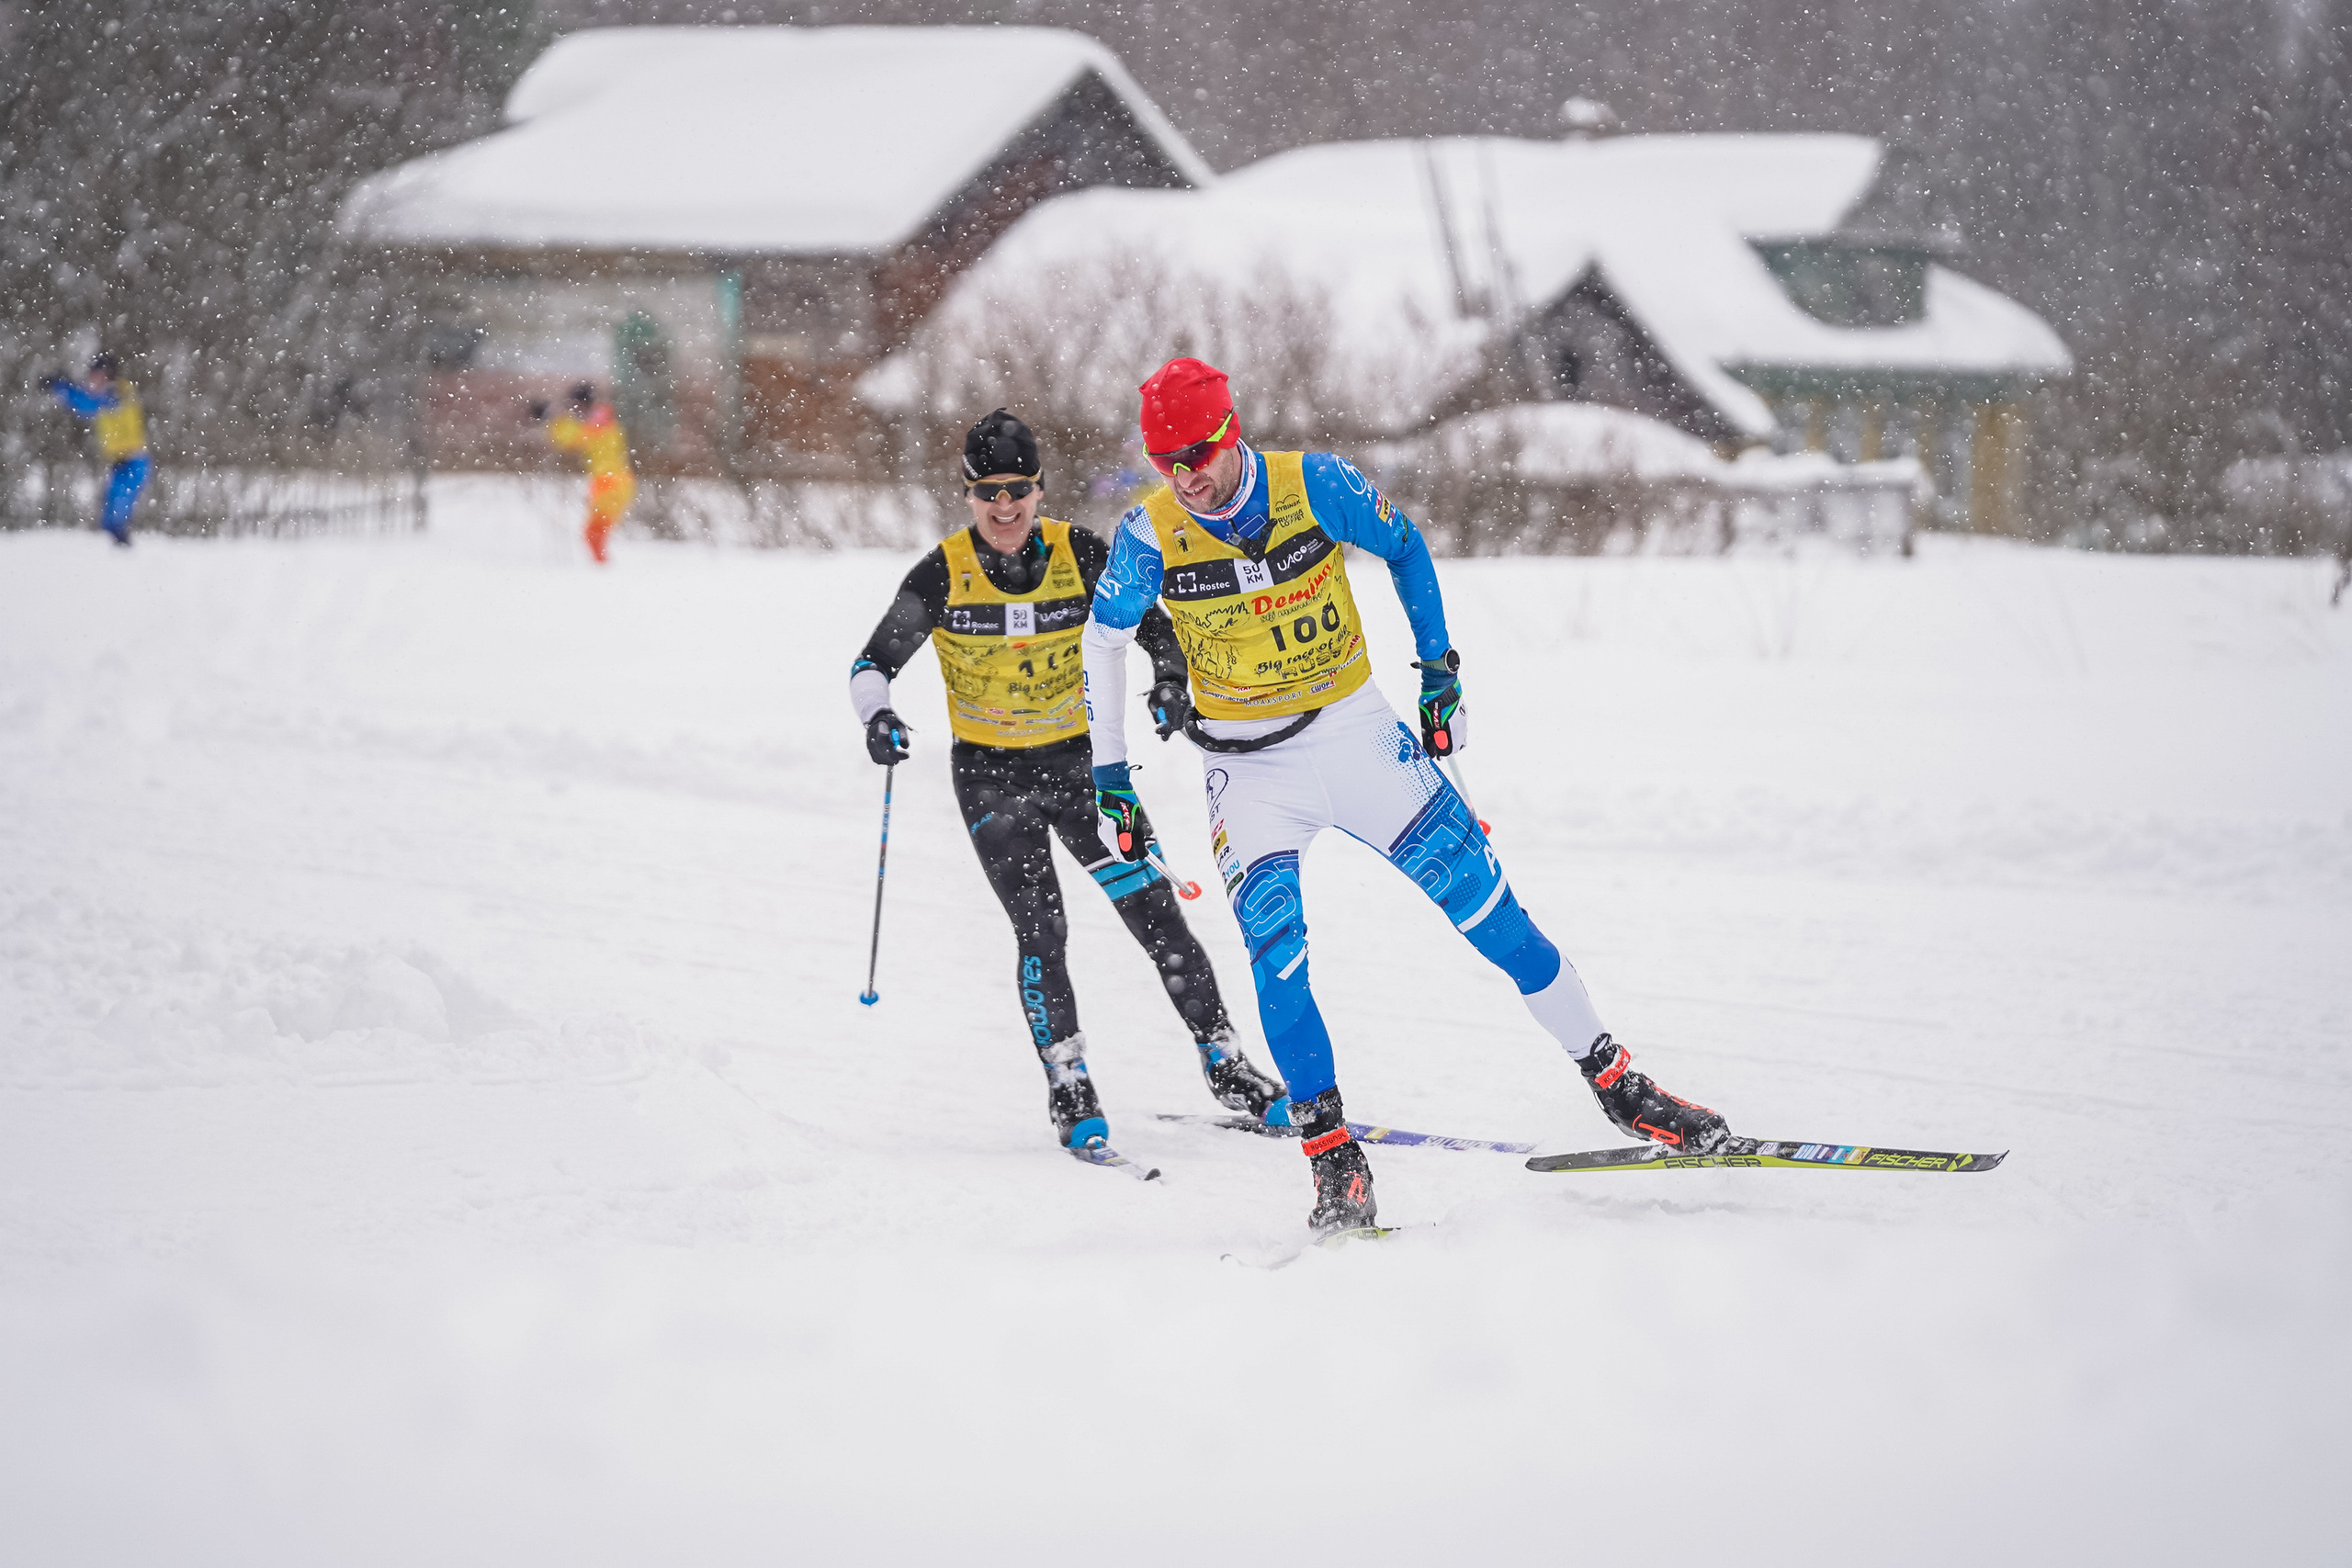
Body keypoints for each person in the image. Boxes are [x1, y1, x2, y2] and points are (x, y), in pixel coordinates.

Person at [1080, 358, 1733, 1234]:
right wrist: (1110, 778)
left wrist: (1438, 674)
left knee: (1494, 918)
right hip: (1249, 773)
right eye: (1168, 459)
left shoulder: (1313, 483)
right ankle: (1333, 1159)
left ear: (1232, 429)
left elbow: (1406, 545)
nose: (1187, 472)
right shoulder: (1150, 534)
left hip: (1357, 736)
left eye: (1199, 449)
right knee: (1279, 962)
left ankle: (1618, 1082)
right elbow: (1104, 641)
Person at [849, 408, 1285, 1156]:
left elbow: (1153, 625)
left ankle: (1225, 1061)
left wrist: (1171, 676)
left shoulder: (1081, 552)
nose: (1005, 504)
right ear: (968, 493)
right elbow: (872, 665)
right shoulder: (942, 571)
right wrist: (878, 717)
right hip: (991, 778)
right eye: (989, 490)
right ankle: (1068, 1080)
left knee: (1155, 914)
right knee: (1042, 931)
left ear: (1041, 489)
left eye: (1018, 487)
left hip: (1081, 767)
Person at [40, 354, 148, 547]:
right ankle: (118, 550)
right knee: (111, 511)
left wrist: (62, 387)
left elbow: (87, 404)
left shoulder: (118, 392)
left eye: (94, 374)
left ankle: (124, 551)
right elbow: (86, 400)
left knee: (117, 512)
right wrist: (64, 386)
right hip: (123, 462)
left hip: (134, 462)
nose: (91, 379)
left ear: (106, 373)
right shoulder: (111, 391)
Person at [531, 382, 634, 563]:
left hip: (610, 484)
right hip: (614, 483)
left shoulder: (599, 420)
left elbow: (574, 438)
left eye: (576, 404)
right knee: (595, 534)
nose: (574, 409)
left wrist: (550, 419)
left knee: (593, 534)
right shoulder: (603, 418)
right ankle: (602, 569)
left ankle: (603, 571)